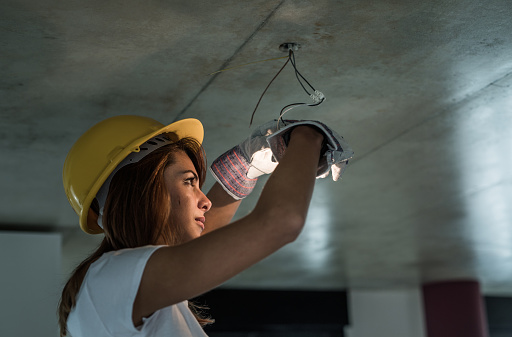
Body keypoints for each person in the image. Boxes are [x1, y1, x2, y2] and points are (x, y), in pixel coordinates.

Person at [58, 115, 352, 337]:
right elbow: (281, 221)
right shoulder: (111, 280)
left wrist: (247, 162)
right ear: (142, 190)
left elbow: (197, 244)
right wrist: (308, 136)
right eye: (189, 182)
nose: (206, 201)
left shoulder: (116, 285)